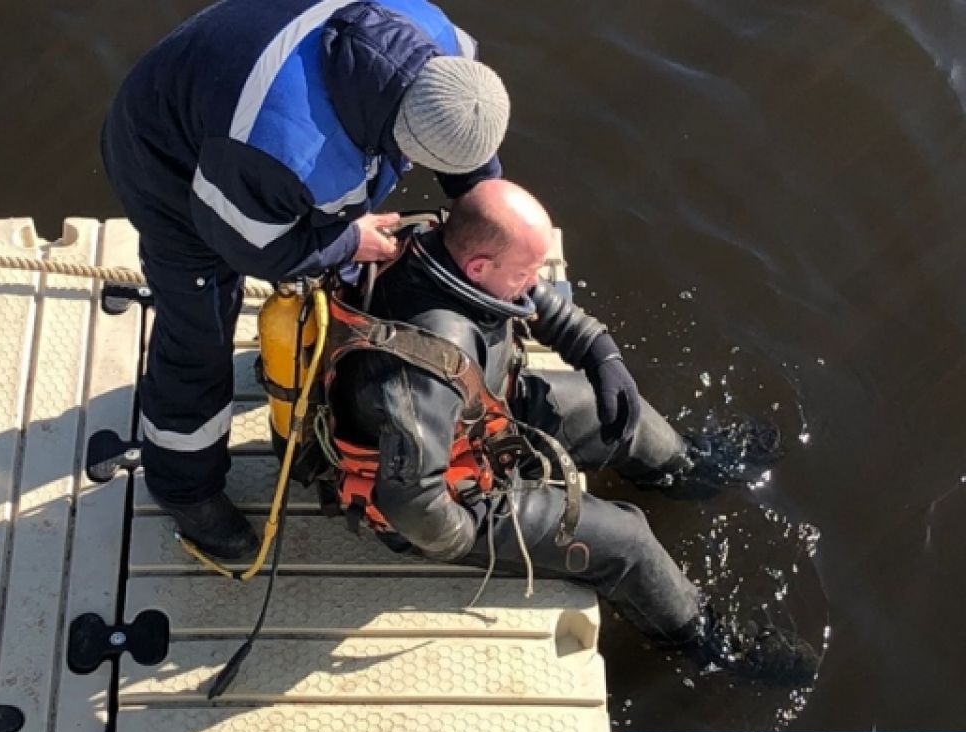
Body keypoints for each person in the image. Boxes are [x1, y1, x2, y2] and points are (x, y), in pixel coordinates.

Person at [324, 179, 819, 684]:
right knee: (627, 541)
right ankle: (710, 647)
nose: (535, 282)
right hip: (451, 491)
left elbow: (534, 297)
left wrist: (597, 351)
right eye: (525, 271)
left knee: (625, 415)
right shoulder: (426, 364)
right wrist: (473, 532)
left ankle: (690, 469)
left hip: (481, 416)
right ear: (478, 269)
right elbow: (411, 501)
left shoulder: (439, 242)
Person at [101, 0, 510, 560]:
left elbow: (468, 158)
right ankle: (184, 489)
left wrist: (486, 207)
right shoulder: (282, 145)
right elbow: (250, 245)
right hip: (169, 164)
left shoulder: (445, 48)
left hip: (233, 113)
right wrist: (347, 241)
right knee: (198, 331)